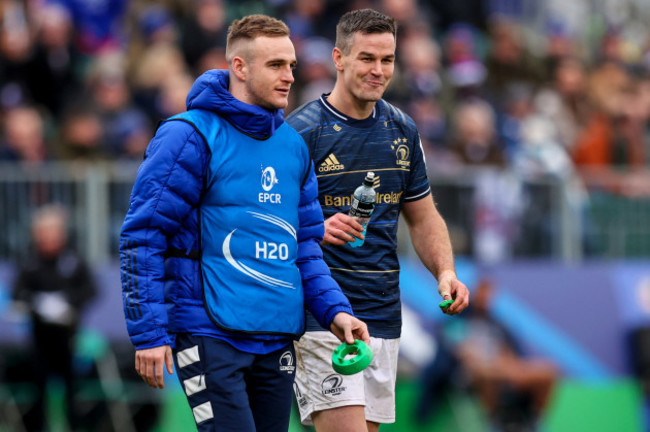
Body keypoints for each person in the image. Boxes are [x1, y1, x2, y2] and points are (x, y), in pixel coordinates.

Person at [119, 14, 369, 432]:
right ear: (238, 67)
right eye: (275, 65)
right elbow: (143, 236)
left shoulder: (292, 147)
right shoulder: (188, 135)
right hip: (208, 332)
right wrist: (149, 334)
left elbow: (304, 248)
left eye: (290, 64)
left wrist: (336, 312)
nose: (289, 76)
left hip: (276, 336)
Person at [286, 8, 470, 431]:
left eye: (387, 59)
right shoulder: (301, 134)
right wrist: (314, 227)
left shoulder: (402, 130)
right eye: (367, 58)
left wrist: (445, 272)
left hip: (384, 314)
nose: (379, 70)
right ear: (339, 58)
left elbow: (423, 219)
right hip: (323, 315)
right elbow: (266, 221)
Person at [13, 203, 97, 431]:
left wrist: (69, 303)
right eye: (42, 232)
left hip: (69, 338)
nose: (47, 237)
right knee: (38, 391)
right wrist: (36, 303)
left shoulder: (73, 260)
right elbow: (17, 293)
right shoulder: (29, 262)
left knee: (73, 391)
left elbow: (91, 290)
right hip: (39, 338)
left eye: (51, 232)